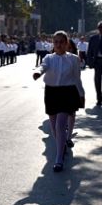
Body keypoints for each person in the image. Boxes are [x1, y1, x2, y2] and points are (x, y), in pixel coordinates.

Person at [33, 31, 85, 172]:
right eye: (56, 42)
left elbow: (77, 78)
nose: (59, 44)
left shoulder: (74, 59)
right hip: (51, 93)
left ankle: (58, 158)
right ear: (53, 43)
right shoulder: (49, 58)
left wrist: (81, 94)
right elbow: (42, 66)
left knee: (61, 124)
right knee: (54, 125)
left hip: (67, 93)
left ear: (67, 43)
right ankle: (61, 147)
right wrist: (38, 73)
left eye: (61, 41)